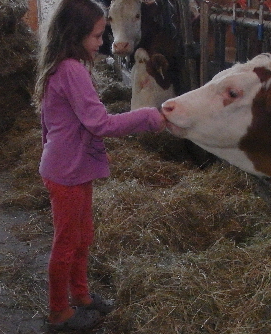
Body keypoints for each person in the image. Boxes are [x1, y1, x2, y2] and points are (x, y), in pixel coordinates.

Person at [34, 0, 166, 331]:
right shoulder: (72, 70)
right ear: (75, 35)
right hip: (67, 173)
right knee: (66, 243)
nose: (101, 42)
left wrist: (92, 152)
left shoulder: (61, 67)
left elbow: (52, 124)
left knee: (82, 236)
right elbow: (99, 123)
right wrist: (147, 116)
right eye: (96, 36)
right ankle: (58, 313)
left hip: (72, 166)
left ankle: (81, 296)